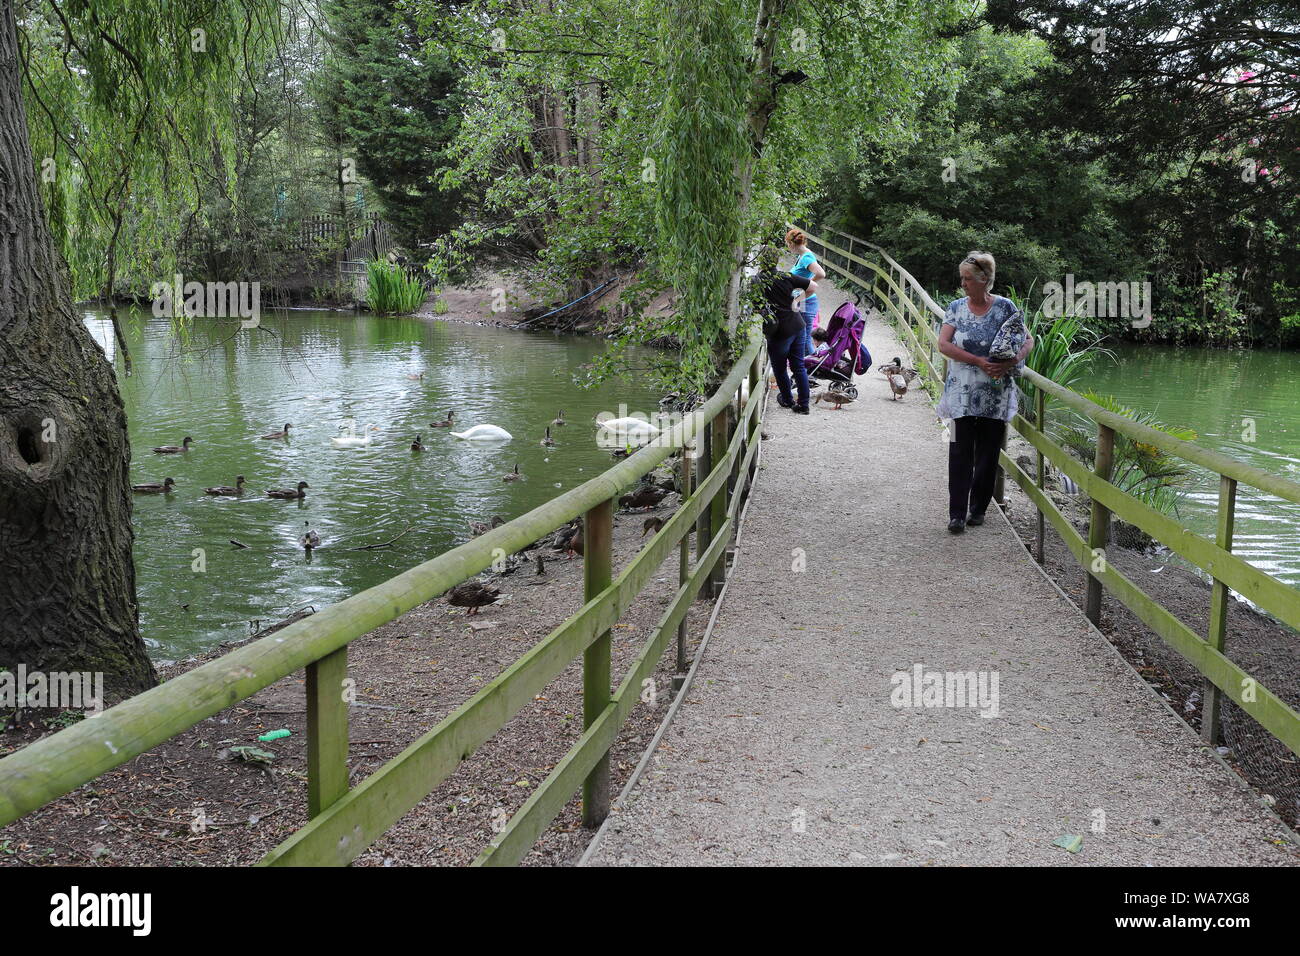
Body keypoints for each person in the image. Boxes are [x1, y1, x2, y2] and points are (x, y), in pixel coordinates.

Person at [936, 251, 1034, 534]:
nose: (963, 284)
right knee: (959, 451)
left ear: (984, 279)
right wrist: (979, 361)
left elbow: (1028, 340)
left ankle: (978, 509)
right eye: (962, 279)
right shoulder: (956, 307)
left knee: (989, 454)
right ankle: (956, 513)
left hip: (995, 395)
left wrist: (1011, 362)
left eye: (968, 279)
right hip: (960, 396)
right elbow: (944, 344)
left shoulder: (1005, 308)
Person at [753, 245, 814, 414]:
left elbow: (754, 307)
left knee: (779, 368)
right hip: (797, 325)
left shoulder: (757, 281)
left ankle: (787, 399)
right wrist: (796, 301)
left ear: (760, 260)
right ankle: (804, 405)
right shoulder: (786, 276)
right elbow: (813, 285)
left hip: (779, 331)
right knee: (798, 366)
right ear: (776, 260)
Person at [785, 228, 825, 358]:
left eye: (787, 244)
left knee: (805, 337)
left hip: (807, 301)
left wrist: (807, 284)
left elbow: (821, 274)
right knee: (799, 335)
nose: (787, 247)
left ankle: (814, 366)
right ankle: (806, 366)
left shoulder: (806, 257)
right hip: (802, 300)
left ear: (791, 243)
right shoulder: (801, 256)